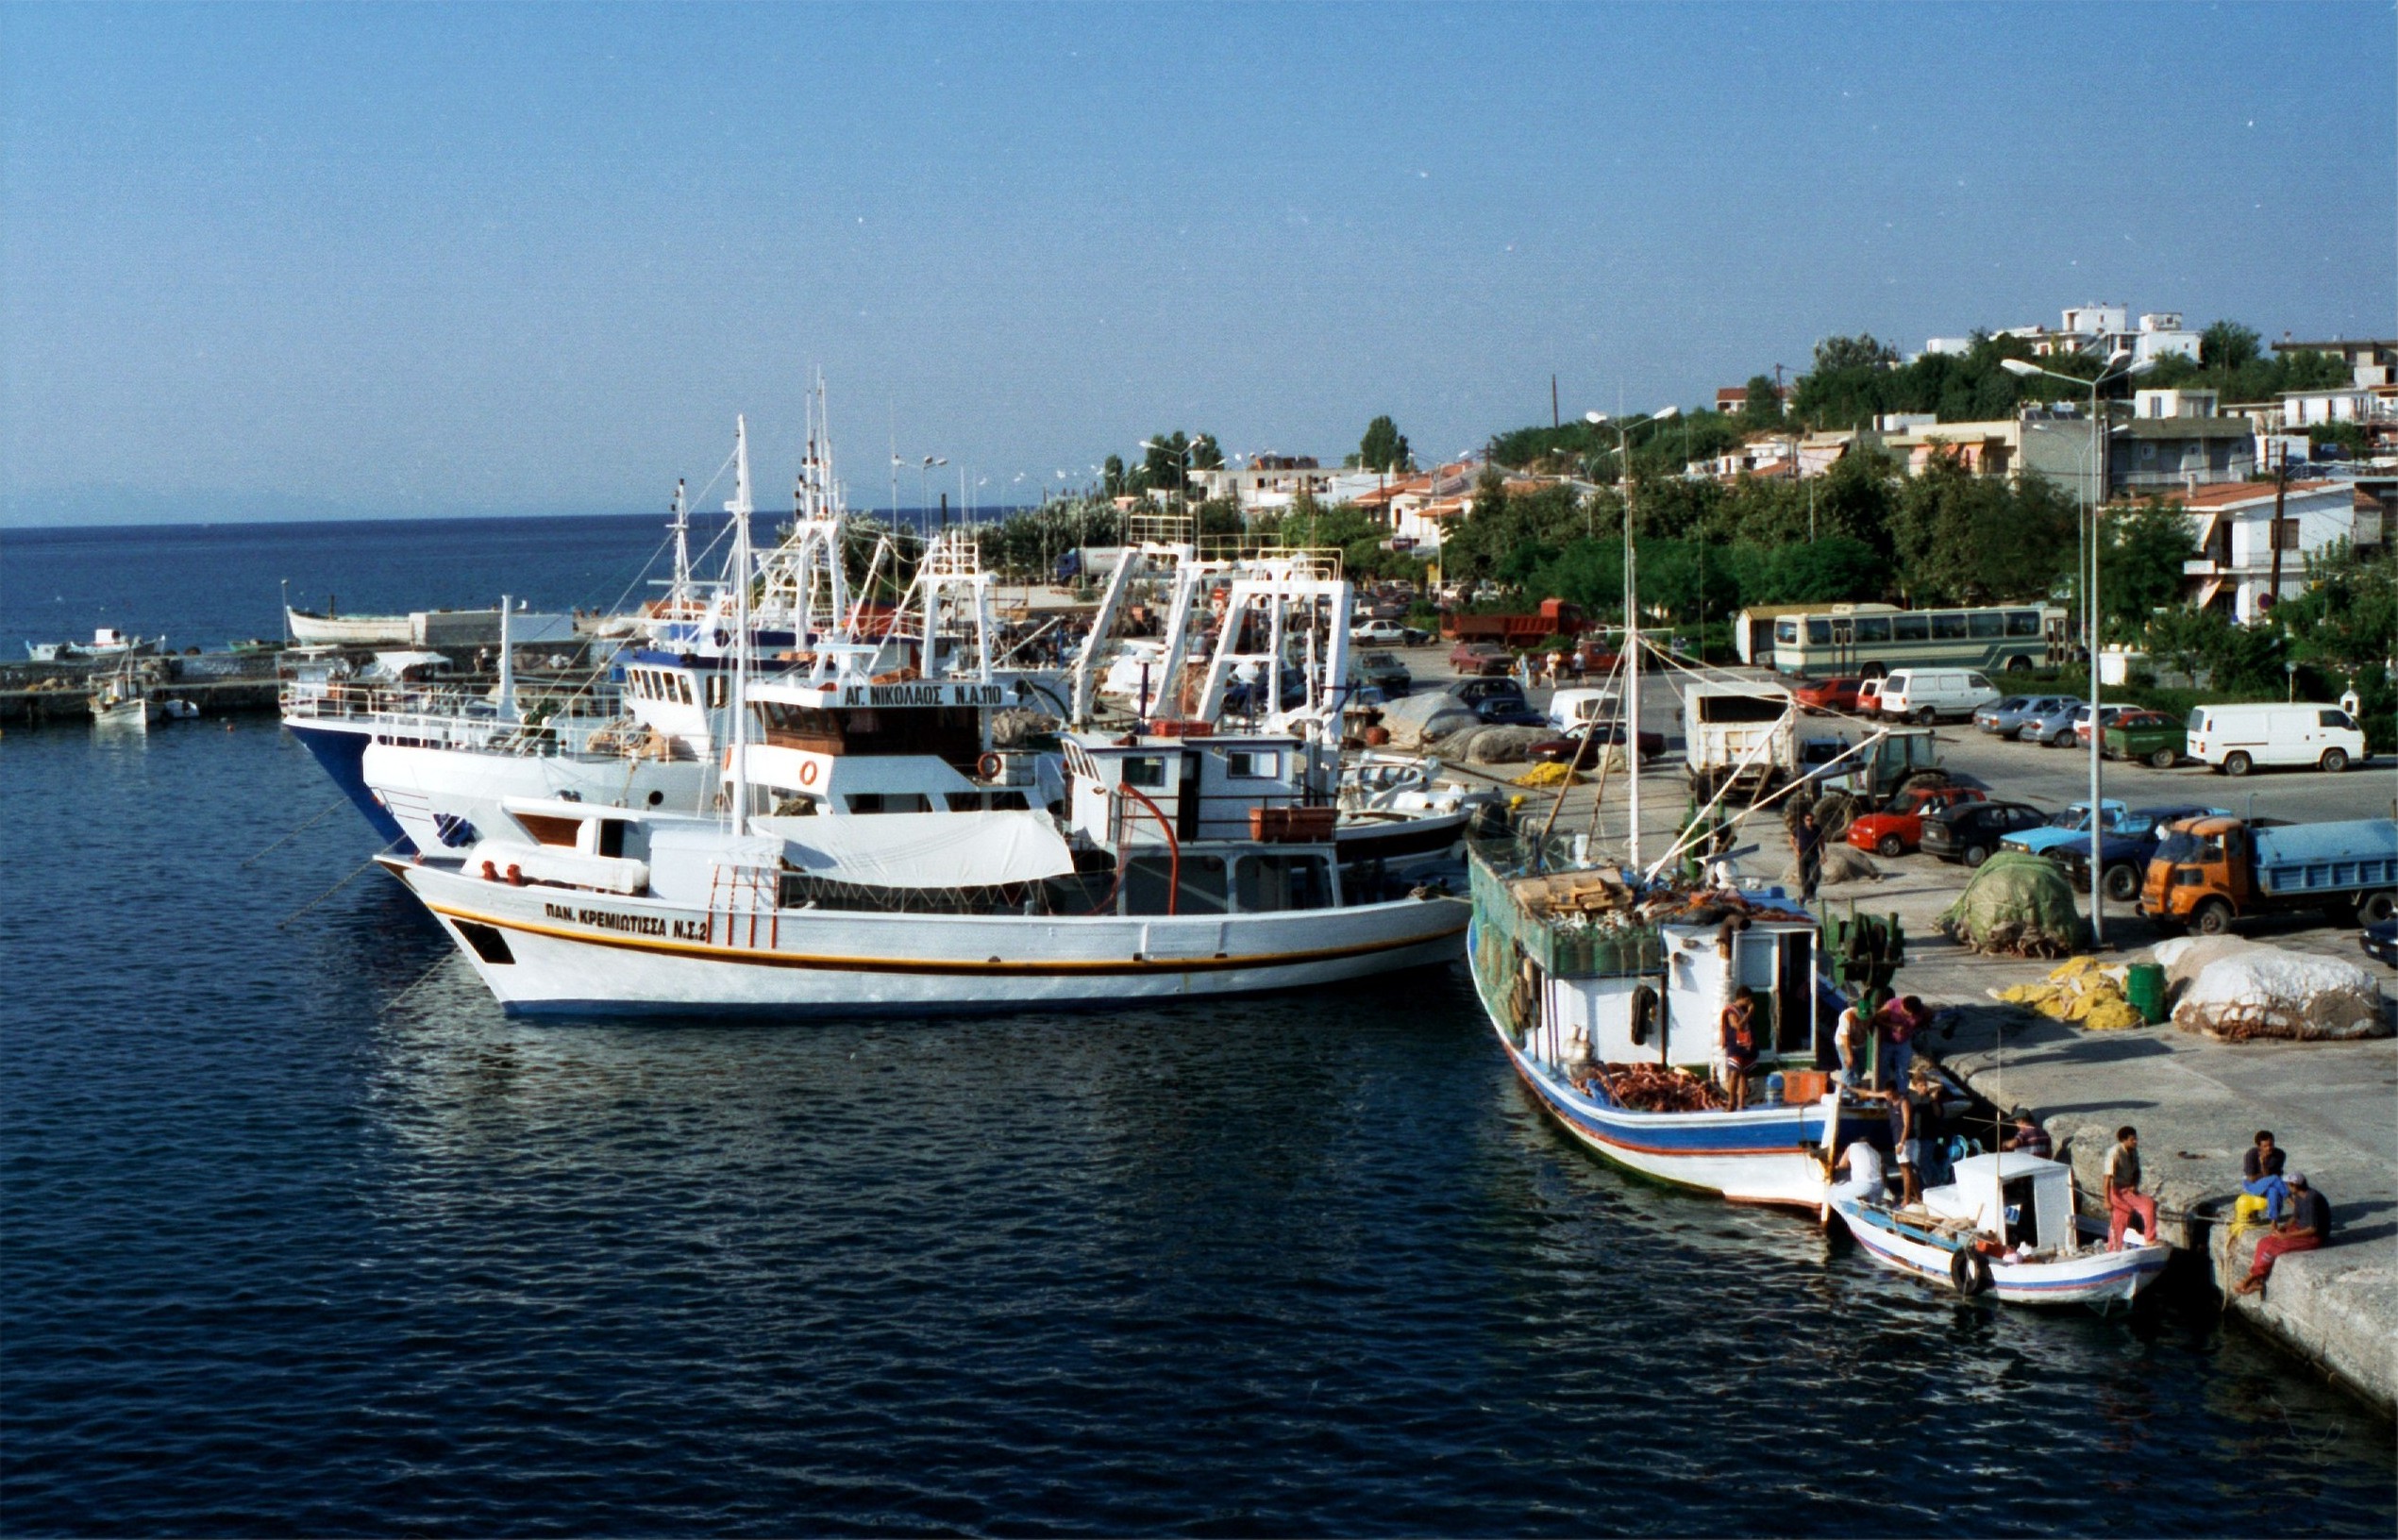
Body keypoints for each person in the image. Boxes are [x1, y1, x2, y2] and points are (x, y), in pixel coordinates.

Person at [2234, 1172, 2331, 1296]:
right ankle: (2256, 1279)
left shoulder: (2311, 1199)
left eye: (2288, 1185)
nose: (2286, 1187)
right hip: (2300, 1228)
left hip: (2313, 1237)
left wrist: (2286, 1236)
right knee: (2264, 1242)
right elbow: (2296, 1216)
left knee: (2273, 1248)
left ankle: (2250, 1278)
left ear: (2294, 1186)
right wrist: (2282, 1228)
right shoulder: (2299, 1196)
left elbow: (2313, 1229)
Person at [2105, 1126, 2158, 1251]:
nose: (2135, 1142)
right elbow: (2107, 1179)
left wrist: (2134, 1184)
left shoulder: (2134, 1152)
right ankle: (2115, 1248)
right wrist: (2107, 1200)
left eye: (2135, 1139)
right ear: (2124, 1140)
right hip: (2117, 1192)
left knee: (2144, 1206)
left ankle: (2115, 1248)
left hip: (2128, 1190)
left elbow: (2137, 1171)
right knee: (2145, 1206)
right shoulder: (2115, 1153)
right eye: (2132, 1139)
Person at [1873, 995, 1927, 1091]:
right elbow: (1877, 1018)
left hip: (1904, 1042)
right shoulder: (1892, 1005)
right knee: (1883, 1068)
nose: (1911, 1016)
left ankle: (1902, 1092)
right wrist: (1893, 1026)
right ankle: (1882, 1091)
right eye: (1908, 1013)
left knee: (1902, 1069)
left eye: (1913, 1014)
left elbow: (1928, 1016)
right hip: (1887, 1042)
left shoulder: (1920, 1010)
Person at [1719, 985, 1759, 1112]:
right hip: (1735, 1046)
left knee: (1744, 1074)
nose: (1749, 1003)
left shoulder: (1743, 1010)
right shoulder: (1732, 1011)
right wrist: (1749, 1013)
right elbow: (1738, 1026)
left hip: (1746, 1046)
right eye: (1748, 1000)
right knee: (1734, 1074)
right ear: (1742, 998)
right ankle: (1731, 1102)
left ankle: (1741, 1102)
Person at [2242, 1130, 2289, 1224]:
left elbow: (2268, 1177)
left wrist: (2263, 1167)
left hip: (2271, 1183)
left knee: (2273, 1191)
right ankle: (2291, 1200)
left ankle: (2274, 1220)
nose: (2269, 1148)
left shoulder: (2280, 1154)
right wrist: (2262, 1164)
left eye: (2271, 1145)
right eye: (2265, 1146)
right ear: (2259, 1147)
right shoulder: (2251, 1154)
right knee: (2275, 1179)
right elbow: (2251, 1179)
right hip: (2252, 1185)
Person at [1828, 1139, 1886, 1206]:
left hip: (1864, 1185)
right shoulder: (1876, 1152)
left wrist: (1834, 1167)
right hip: (1879, 1186)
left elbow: (1842, 1165)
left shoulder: (1852, 1146)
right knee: (1872, 1206)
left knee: (1831, 1193)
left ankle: (1852, 1213)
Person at [1834, 1001, 1870, 1087]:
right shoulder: (1847, 1016)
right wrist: (1849, 1056)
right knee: (1848, 1066)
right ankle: (1847, 1087)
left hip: (1860, 1044)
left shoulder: (1871, 1016)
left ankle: (1857, 1083)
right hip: (1843, 1043)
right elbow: (1845, 1038)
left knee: (1861, 1067)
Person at [1793, 812, 1823, 903]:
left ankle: (1812, 892)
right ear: (1804, 820)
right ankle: (1806, 894)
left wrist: (1823, 852)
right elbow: (1791, 839)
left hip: (1814, 855)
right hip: (1803, 854)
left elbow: (1821, 840)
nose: (1809, 822)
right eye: (1807, 820)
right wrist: (1796, 850)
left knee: (1816, 875)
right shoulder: (1799, 829)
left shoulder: (1817, 829)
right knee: (1803, 876)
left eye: (1811, 820)